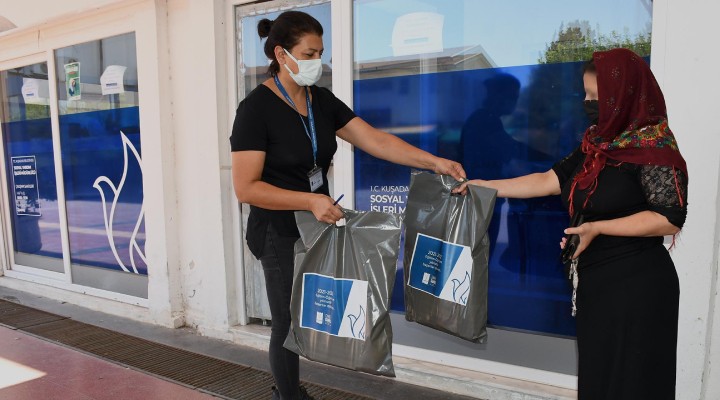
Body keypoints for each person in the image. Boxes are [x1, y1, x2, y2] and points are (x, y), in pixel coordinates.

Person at [229, 11, 466, 400]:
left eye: (320, 52)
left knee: (315, 312)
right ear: (281, 53)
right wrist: (309, 200)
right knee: (287, 321)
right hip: (279, 230)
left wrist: (435, 162)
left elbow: (375, 140)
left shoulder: (319, 100)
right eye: (309, 53)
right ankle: (288, 394)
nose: (316, 61)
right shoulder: (255, 110)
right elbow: (246, 188)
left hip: (318, 223)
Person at [460, 48, 688, 399]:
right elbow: (547, 179)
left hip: (638, 288)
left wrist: (598, 228)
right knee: (599, 379)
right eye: (585, 94)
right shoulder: (596, 145)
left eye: (596, 97)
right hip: (597, 283)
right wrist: (486, 187)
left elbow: (668, 218)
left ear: (622, 97)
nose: (588, 103)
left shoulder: (654, 146)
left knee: (633, 384)